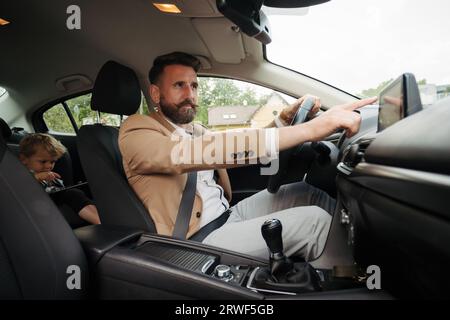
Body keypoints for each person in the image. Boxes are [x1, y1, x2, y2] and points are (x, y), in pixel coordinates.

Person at [119, 52, 377, 261]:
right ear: (155, 93)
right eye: (179, 85)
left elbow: (242, 142)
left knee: (305, 192)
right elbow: (193, 152)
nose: (190, 94)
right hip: (196, 240)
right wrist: (308, 130)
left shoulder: (195, 130)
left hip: (228, 215)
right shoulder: (137, 130)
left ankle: (367, 250)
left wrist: (285, 119)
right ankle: (352, 281)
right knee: (315, 223)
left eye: (194, 85)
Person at [19, 133, 101, 225]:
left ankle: (101, 219)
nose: (49, 166)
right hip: (34, 202)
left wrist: (55, 183)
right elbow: (19, 188)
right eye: (43, 161)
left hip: (54, 198)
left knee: (75, 193)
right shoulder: (21, 173)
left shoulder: (48, 174)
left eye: (52, 162)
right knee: (73, 194)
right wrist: (37, 178)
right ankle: (99, 221)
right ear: (24, 159)